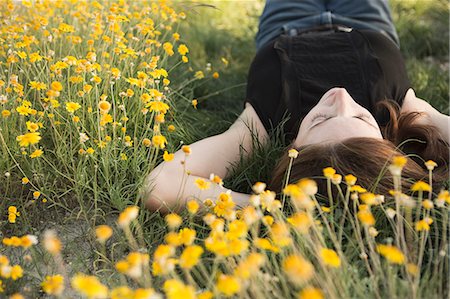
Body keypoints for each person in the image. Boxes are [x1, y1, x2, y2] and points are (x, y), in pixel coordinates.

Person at [144, 0, 449, 213]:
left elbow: (161, 186)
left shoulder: (265, 122)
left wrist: (258, 207)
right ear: (385, 141)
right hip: (367, 19)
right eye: (360, 116)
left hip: (288, 17)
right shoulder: (401, 112)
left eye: (320, 119)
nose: (340, 97)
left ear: (294, 145)